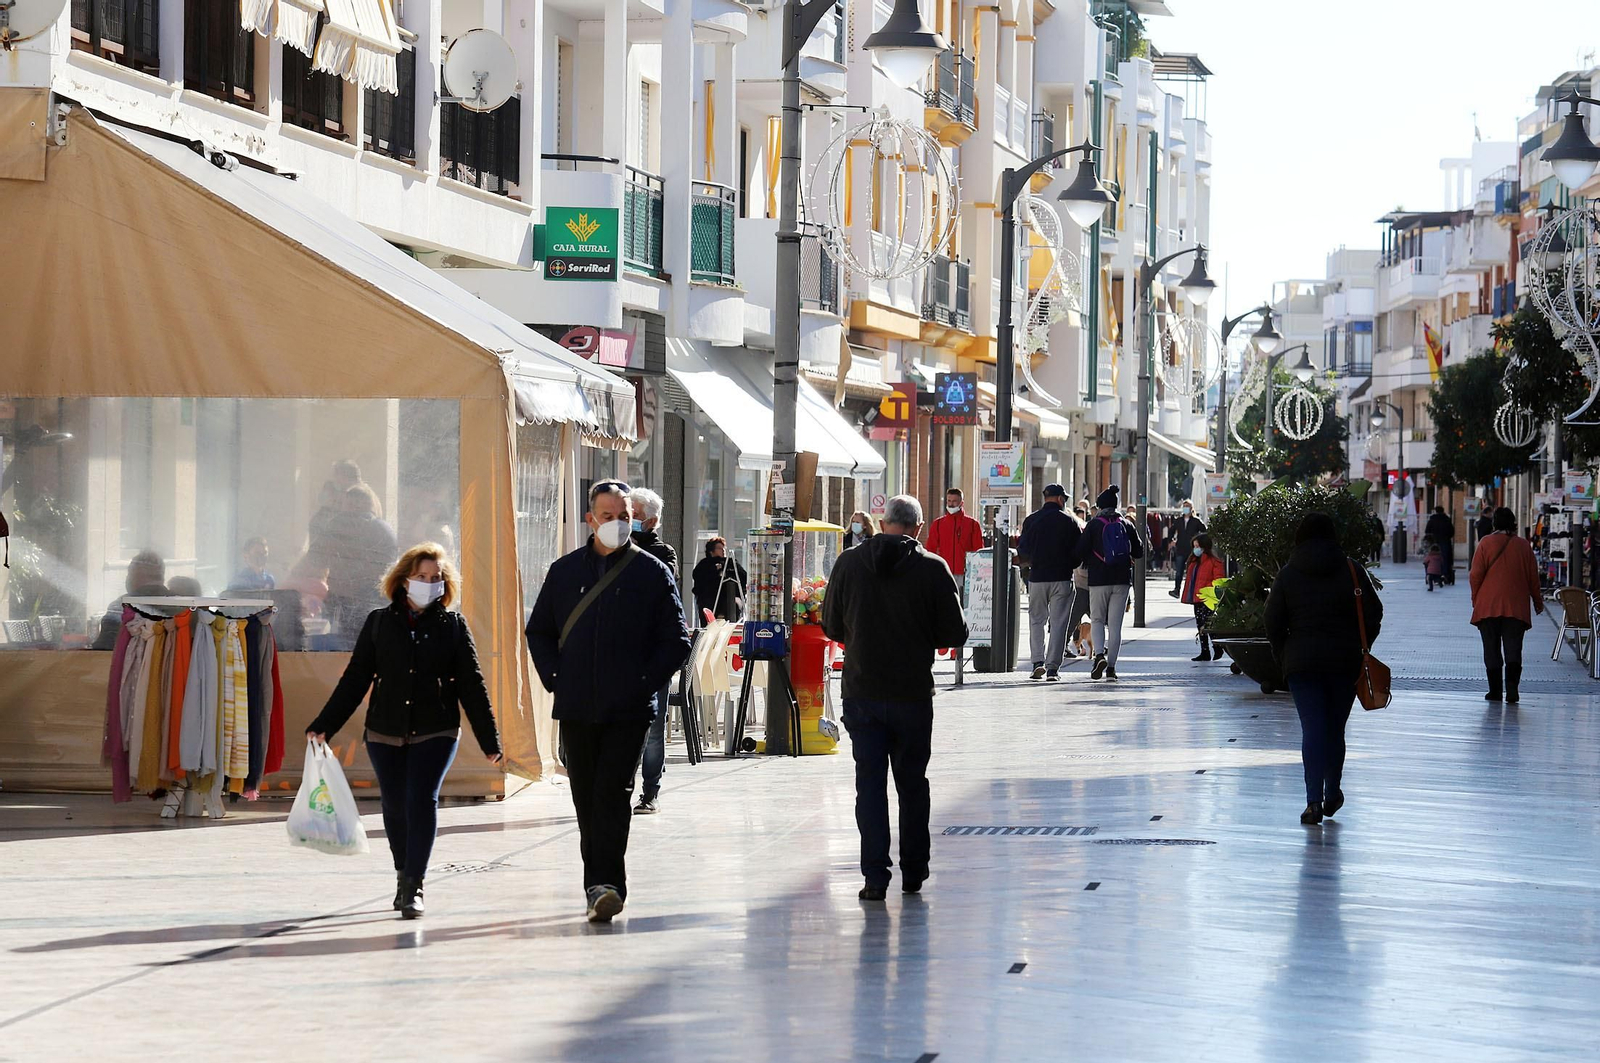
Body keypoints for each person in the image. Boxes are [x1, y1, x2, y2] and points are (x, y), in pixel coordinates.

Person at [306, 543, 503, 919]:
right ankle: (402, 874)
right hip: (385, 730)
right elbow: (356, 679)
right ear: (403, 579)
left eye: (435, 579)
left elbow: (472, 685)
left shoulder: (453, 626)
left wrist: (489, 739)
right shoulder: (379, 623)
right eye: (421, 577)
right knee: (394, 805)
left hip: (436, 728)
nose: (428, 584)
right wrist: (324, 725)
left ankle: (415, 883)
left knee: (421, 799)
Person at [525, 480, 691, 923]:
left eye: (624, 517)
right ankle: (595, 883)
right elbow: (538, 630)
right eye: (608, 516)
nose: (617, 524)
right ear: (589, 519)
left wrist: (642, 682)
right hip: (577, 703)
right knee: (585, 797)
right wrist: (556, 678)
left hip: (628, 708)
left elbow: (676, 640)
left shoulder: (652, 572)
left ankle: (608, 885)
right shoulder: (563, 572)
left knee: (614, 795)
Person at [821, 494, 968, 901]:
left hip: (862, 692)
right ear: (918, 528)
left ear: (883, 523)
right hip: (912, 694)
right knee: (912, 783)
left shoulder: (849, 563)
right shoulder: (932, 568)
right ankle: (914, 870)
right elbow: (954, 634)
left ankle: (874, 876)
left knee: (869, 784)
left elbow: (831, 624)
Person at [1264, 512, 1383, 825]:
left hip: (1302, 665)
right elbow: (1374, 613)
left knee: (1313, 727)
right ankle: (1333, 792)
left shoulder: (1288, 574)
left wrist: (1283, 654)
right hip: (1345, 662)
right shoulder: (1351, 570)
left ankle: (1313, 802)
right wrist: (1362, 647)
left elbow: (1272, 621)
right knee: (1335, 728)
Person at [628, 487, 678, 817]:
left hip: (653, 655)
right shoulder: (609, 549)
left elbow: (662, 588)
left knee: (655, 727)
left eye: (632, 515)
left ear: (652, 520)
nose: (626, 520)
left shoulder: (664, 553)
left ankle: (650, 792)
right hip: (619, 654)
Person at [1469, 506, 1544, 704]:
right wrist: (1537, 601)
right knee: (1513, 649)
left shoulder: (1486, 543)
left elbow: (1475, 575)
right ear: (1514, 523)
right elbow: (1532, 578)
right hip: (1515, 606)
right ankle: (1512, 690)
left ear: (1494, 523)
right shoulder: (1523, 546)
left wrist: (1475, 599)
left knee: (1491, 649)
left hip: (1488, 606)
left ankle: (1494, 691)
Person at [1075, 486, 1144, 681]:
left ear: (1099, 506)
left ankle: (1098, 656)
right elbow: (1139, 552)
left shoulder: (1094, 525)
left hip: (1098, 580)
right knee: (1115, 627)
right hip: (1122, 580)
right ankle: (1111, 668)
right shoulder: (1126, 524)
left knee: (1097, 620)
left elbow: (1080, 551)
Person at [320, 483, 399, 650]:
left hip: (352, 599)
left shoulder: (340, 525)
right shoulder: (384, 529)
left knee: (350, 650)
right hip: (374, 599)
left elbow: (320, 557)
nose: (343, 509)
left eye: (346, 504)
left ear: (357, 504)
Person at [1017, 484, 1082, 680]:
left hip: (1037, 578)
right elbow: (1079, 551)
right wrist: (1070, 564)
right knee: (1059, 623)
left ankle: (1037, 662)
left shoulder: (1031, 520)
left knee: (1036, 620)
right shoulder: (1070, 521)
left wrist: (1031, 565)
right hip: (1062, 578)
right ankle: (1053, 668)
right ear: (1061, 499)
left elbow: (1023, 550)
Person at [94, 550, 168, 649]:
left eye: (132, 575)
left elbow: (104, 647)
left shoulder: (120, 607)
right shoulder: (178, 605)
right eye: (129, 574)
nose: (128, 579)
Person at [1181, 533, 1225, 661]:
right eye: (1194, 546)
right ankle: (1205, 650)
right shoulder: (1194, 562)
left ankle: (1217, 647)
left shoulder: (1213, 562)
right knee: (1200, 623)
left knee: (1207, 623)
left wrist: (1211, 591)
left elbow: (1218, 580)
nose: (1195, 549)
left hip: (1208, 598)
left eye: (1198, 546)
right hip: (1197, 598)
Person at [924, 488, 984, 579]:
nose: (951, 504)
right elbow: (930, 549)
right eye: (949, 501)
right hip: (943, 572)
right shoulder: (938, 524)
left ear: (961, 503)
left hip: (966, 573)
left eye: (954, 501)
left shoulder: (972, 524)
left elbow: (978, 550)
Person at [690, 537, 747, 624]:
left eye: (724, 548)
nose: (723, 550)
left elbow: (743, 576)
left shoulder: (731, 562)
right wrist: (714, 570)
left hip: (729, 597)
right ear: (711, 551)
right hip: (710, 597)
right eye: (719, 548)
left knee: (734, 605)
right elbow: (699, 579)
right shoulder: (704, 564)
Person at [1168, 500, 1206, 597]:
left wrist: (1199, 543)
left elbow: (1205, 531)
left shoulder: (1196, 521)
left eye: (1187, 506)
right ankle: (1177, 590)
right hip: (1180, 549)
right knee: (1179, 572)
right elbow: (1171, 531)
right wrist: (1171, 541)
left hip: (1192, 550)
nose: (1185, 508)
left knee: (1192, 571)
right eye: (1184, 506)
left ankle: (1192, 591)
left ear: (1191, 508)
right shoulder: (1178, 521)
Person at [1425, 506, 1456, 584]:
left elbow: (1427, 531)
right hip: (1445, 541)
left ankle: (1434, 573)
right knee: (1445, 558)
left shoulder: (1432, 520)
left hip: (1434, 542)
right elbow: (1452, 531)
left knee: (1433, 558)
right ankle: (1445, 574)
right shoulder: (1447, 519)